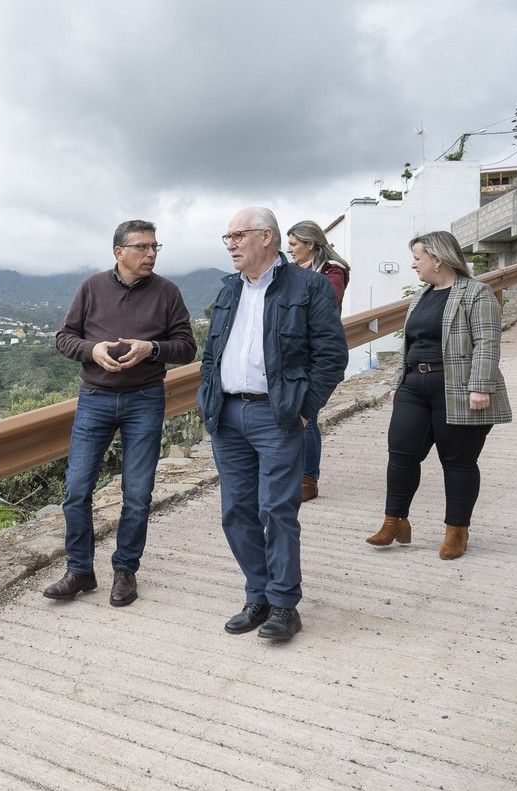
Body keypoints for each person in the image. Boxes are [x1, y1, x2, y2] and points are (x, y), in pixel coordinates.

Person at [198, 208, 347, 642]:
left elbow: (331, 355)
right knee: (236, 511)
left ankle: (284, 604)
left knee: (276, 510)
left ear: (266, 237)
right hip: (227, 415)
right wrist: (209, 395)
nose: (230, 244)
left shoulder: (309, 285)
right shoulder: (229, 290)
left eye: (237, 236)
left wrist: (305, 410)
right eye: (226, 238)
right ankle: (257, 594)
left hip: (277, 415)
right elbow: (212, 352)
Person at [44, 220, 196, 607]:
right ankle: (80, 570)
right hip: (94, 398)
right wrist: (91, 350)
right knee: (77, 489)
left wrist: (152, 350)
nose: (151, 254)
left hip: (145, 399)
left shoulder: (167, 292)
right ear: (119, 252)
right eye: (143, 247)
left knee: (138, 493)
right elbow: (64, 338)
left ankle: (125, 571)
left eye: (155, 246)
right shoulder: (92, 287)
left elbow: (186, 347)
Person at [367, 231, 511, 559]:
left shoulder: (477, 293)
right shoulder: (422, 295)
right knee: (401, 454)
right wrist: (396, 382)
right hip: (414, 386)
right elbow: (410, 342)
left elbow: (488, 342)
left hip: (457, 386)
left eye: (417, 257)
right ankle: (395, 521)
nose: (413, 264)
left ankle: (457, 530)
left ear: (437, 259)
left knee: (458, 461)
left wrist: (480, 386)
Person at [286, 220, 351, 502]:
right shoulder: (292, 271)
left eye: (293, 245)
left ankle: (308, 479)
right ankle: (293, 475)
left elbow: (327, 302)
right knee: (295, 414)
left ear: (310, 244)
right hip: (294, 350)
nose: (289, 250)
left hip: (316, 351)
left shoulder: (332, 272)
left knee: (307, 413)